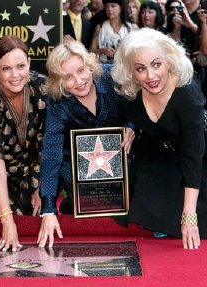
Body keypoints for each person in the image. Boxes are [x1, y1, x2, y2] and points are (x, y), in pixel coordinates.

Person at [111, 28, 207, 249]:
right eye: (140, 69)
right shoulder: (130, 95)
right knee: (138, 197)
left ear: (170, 62)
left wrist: (189, 216)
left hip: (198, 158)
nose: (150, 76)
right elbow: (130, 114)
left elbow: (194, 155)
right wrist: (131, 126)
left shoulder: (186, 96)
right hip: (159, 155)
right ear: (131, 72)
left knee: (192, 210)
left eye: (157, 65)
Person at [37, 40, 135, 248]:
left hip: (123, 165)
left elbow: (140, 105)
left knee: (132, 211)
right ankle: (71, 201)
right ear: (59, 82)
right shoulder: (56, 101)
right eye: (68, 77)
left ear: (90, 66)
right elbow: (52, 153)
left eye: (81, 71)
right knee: (87, 215)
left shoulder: (112, 78)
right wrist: (48, 209)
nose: (78, 80)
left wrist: (132, 125)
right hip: (76, 170)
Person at [0, 35, 48, 252]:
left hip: (37, 175)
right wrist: (6, 219)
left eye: (21, 66)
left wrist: (44, 189)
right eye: (6, 68)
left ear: (29, 62)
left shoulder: (44, 88)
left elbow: (52, 145)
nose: (15, 75)